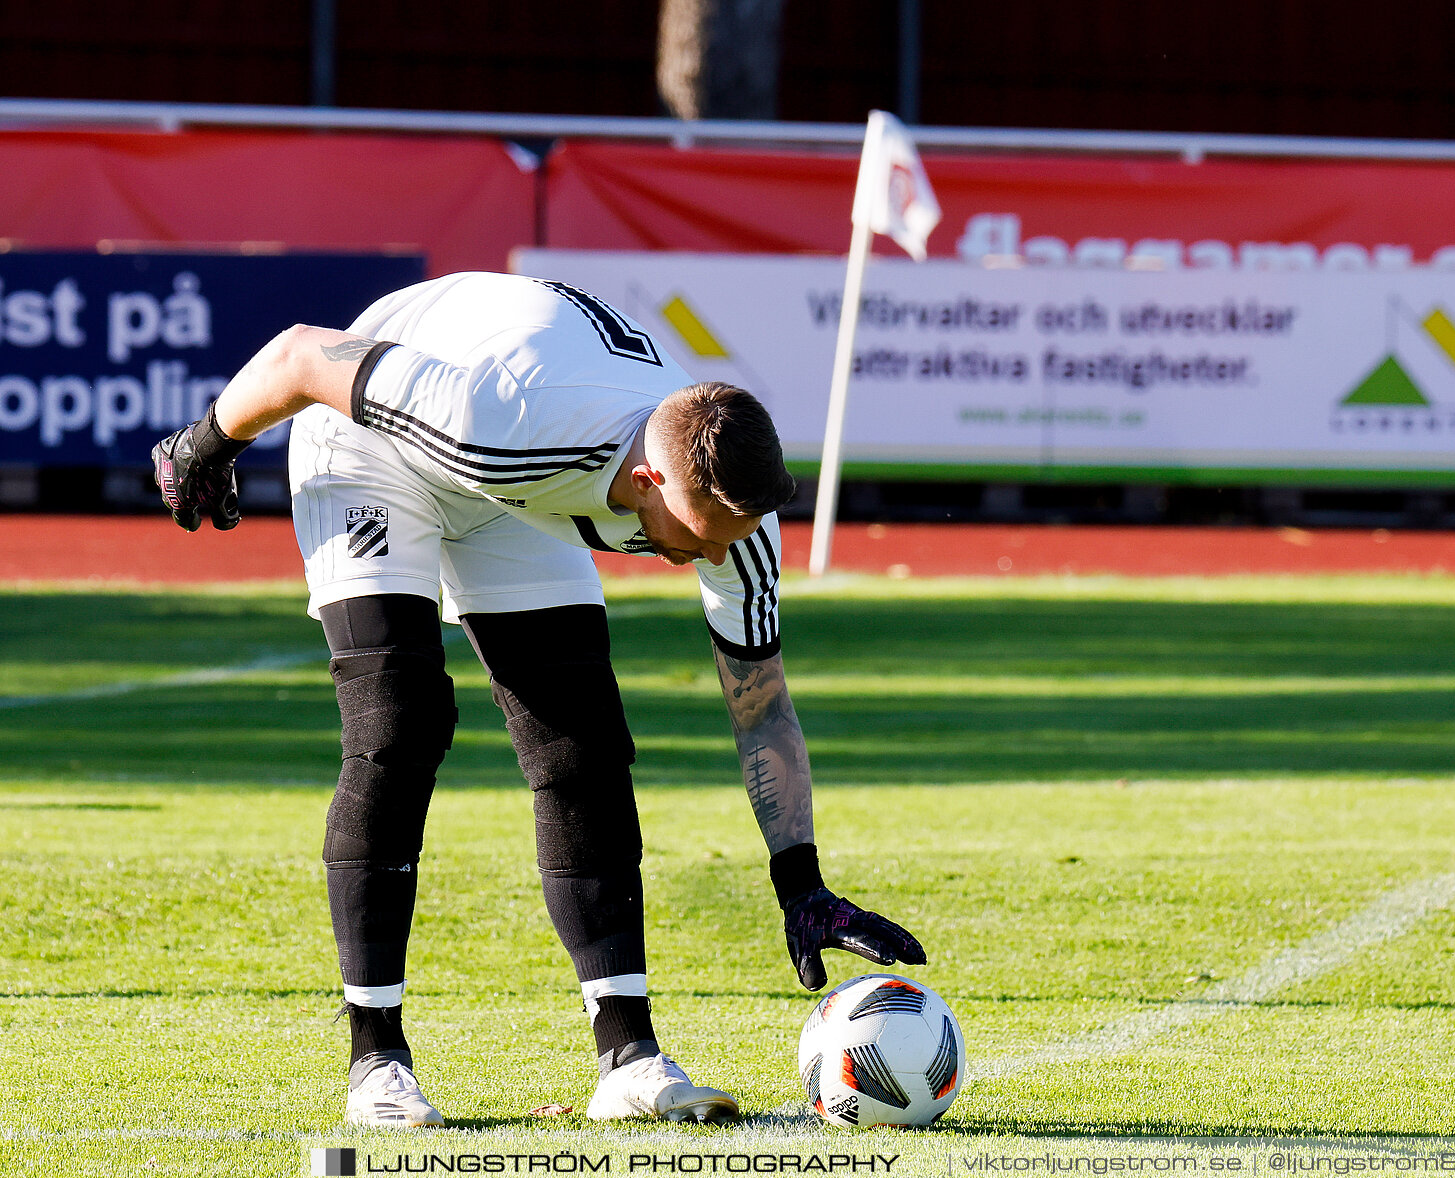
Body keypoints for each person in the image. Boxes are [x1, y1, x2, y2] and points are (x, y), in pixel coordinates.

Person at [151, 271, 926, 1128]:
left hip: (522, 493)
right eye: (697, 541)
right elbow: (301, 353)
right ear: (648, 483)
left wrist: (801, 883)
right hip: (373, 447)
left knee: (582, 744)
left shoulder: (737, 520)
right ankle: (376, 1059)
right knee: (396, 724)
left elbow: (762, 707)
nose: (711, 558)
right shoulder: (503, 425)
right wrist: (206, 442)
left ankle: (628, 1056)